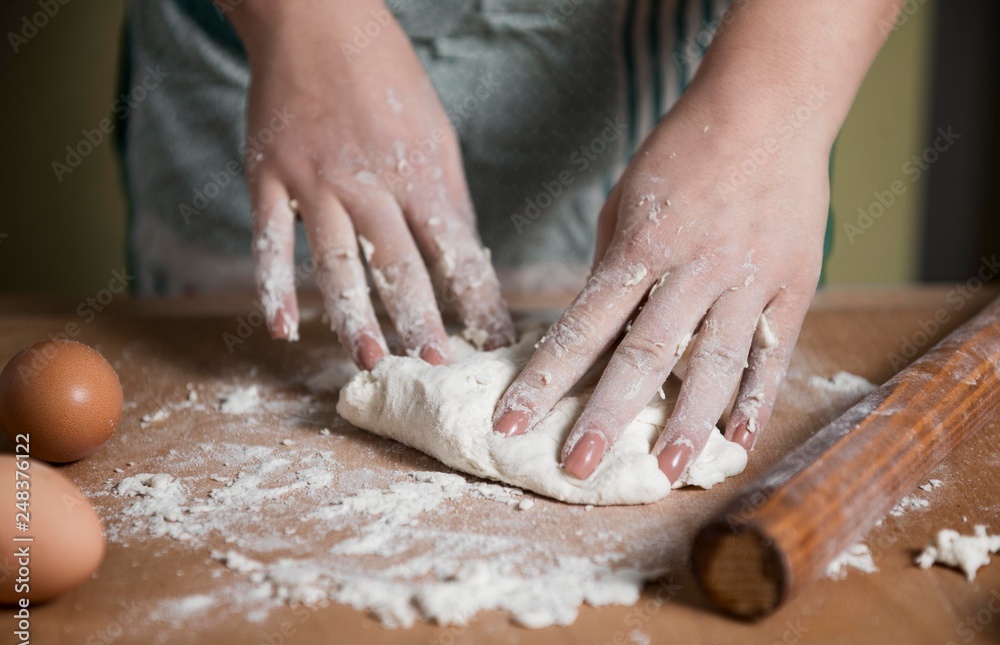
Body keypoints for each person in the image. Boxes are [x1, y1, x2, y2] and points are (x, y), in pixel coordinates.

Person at [120, 0, 903, 485]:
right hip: (272, 75)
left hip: (697, 96)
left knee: (684, 355)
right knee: (263, 362)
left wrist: (771, 109)